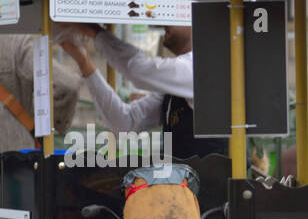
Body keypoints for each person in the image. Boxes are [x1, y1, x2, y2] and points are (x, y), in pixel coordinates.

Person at [59, 23, 226, 159]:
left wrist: (94, 32)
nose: (162, 22)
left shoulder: (202, 66)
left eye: (172, 13)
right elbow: (125, 123)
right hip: (182, 191)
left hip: (209, 193)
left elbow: (138, 70)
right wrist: (84, 62)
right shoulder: (180, 82)